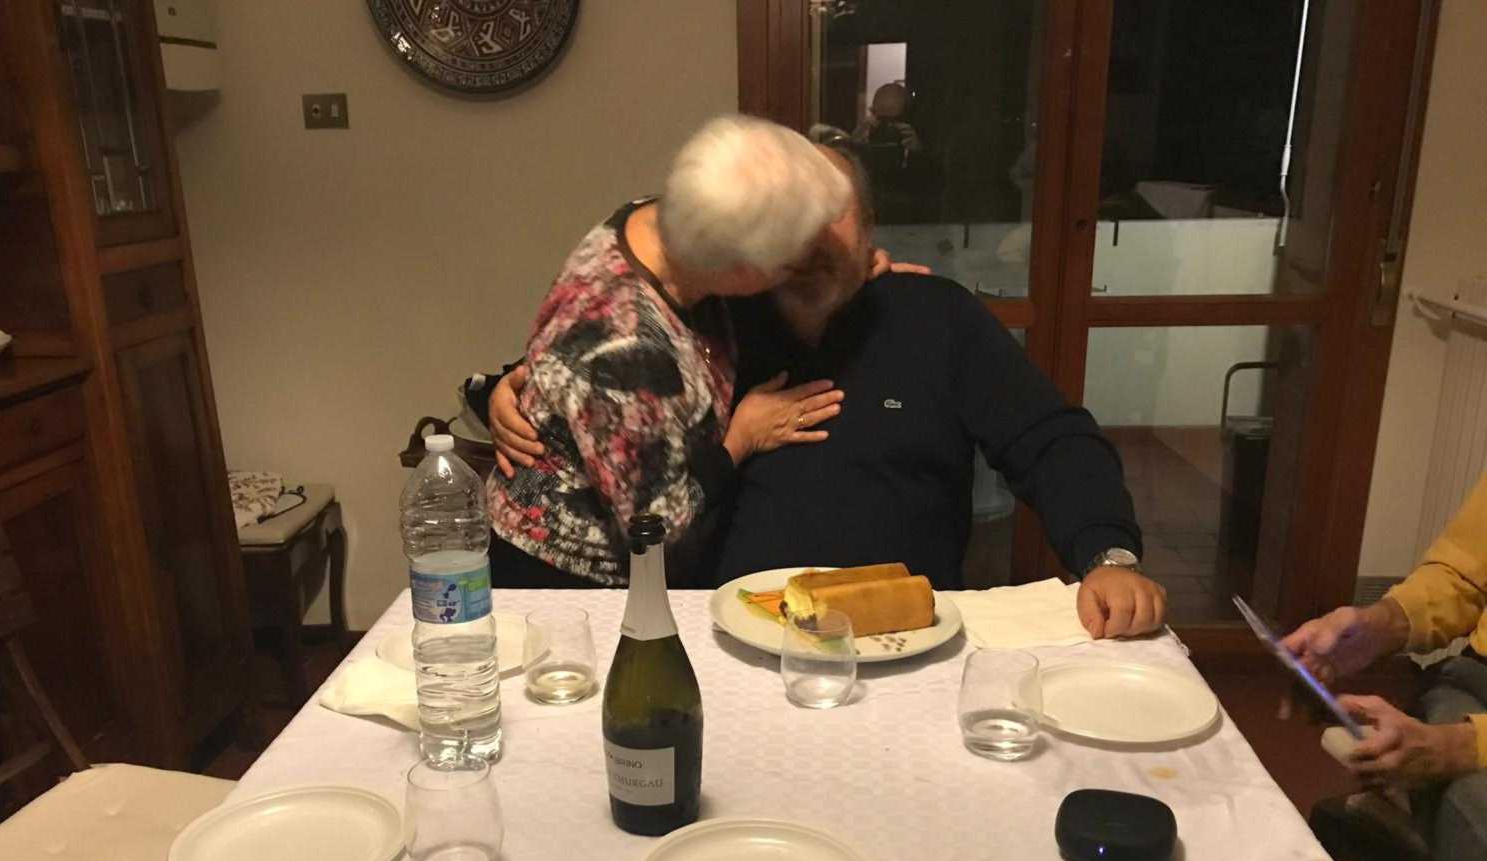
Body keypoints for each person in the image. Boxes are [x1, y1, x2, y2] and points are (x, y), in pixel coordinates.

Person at [494, 145, 1166, 638]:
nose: (810, 235)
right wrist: (501, 390)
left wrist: (1108, 556)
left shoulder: (937, 317)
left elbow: (1050, 439)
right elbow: (598, 359)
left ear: (870, 227)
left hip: (906, 635)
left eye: (831, 211)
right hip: (730, 635)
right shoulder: (721, 313)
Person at [485, 114, 851, 590]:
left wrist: (854, 273)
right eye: (792, 263)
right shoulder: (628, 350)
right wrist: (741, 439)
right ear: (741, 272)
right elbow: (655, 528)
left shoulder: (662, 218)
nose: (800, 268)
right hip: (570, 583)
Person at [1283, 473, 1487, 861]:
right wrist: (1380, 626)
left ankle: (1426, 822)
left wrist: (1460, 748)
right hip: (1476, 689)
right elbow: (1463, 575)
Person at [854, 82, 923, 153]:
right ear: (873, 113)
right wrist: (855, 143)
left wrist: (916, 151)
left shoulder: (910, 138)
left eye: (895, 120)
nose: (889, 126)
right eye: (883, 120)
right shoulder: (866, 130)